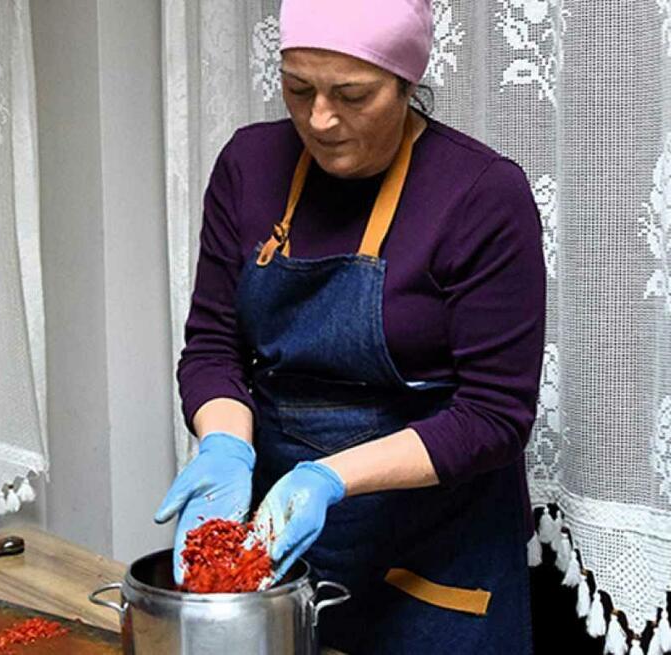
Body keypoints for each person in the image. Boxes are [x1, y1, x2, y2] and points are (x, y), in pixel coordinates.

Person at [153, 1, 546, 652]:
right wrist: (226, 444)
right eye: (298, 88)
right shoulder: (249, 166)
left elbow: (495, 413)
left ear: (407, 83)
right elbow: (214, 347)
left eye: (352, 94)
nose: (319, 118)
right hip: (286, 547)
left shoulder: (481, 195)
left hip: (434, 559)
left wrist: (326, 477)